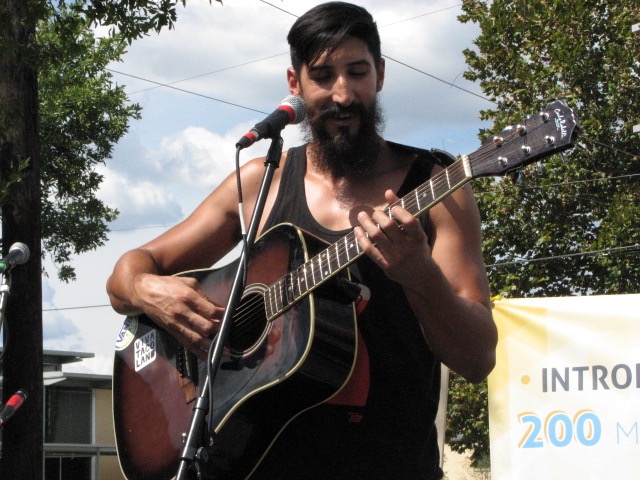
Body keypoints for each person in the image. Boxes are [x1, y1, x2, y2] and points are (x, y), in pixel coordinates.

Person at [107, 2, 497, 479]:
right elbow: (127, 273)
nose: (343, 94)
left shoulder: (436, 188)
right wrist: (149, 290)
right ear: (295, 83)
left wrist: (420, 276)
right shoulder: (262, 182)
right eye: (323, 76)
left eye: (358, 72)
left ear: (380, 75)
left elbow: (477, 359)